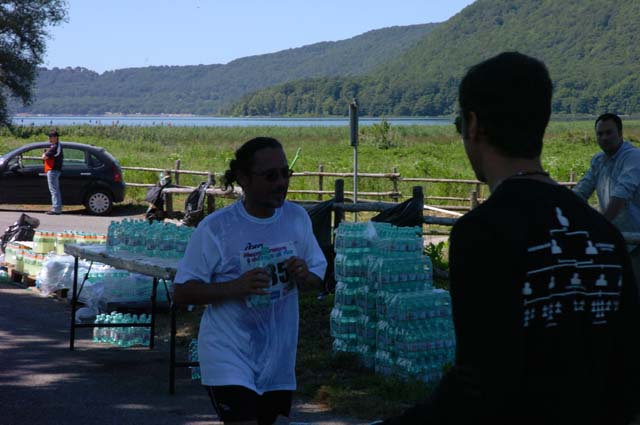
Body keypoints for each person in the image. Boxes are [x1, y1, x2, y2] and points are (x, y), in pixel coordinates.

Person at [380, 52, 640, 424]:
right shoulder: (604, 235)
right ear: (541, 125)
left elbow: (479, 384)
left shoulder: (484, 232)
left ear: (473, 125)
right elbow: (627, 373)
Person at [173, 137, 327, 425]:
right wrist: (236, 287)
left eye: (285, 173)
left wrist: (305, 276)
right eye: (270, 175)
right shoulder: (217, 228)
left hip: (278, 361)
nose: (281, 182)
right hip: (228, 355)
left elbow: (316, 278)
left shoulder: (296, 219)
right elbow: (181, 293)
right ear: (243, 178)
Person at [573, 113, 640, 289]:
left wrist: (601, 226)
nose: (604, 138)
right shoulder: (598, 161)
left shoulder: (633, 157)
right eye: (600, 134)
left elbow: (621, 194)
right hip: (615, 242)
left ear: (620, 133)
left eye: (609, 133)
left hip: (637, 241)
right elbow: (581, 191)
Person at [41, 129, 63, 215]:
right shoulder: (56, 146)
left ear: (55, 138)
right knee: (55, 190)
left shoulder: (55, 147)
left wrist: (44, 154)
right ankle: (56, 208)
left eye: (51, 137)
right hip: (53, 170)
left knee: (54, 190)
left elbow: (45, 157)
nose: (49, 139)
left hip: (53, 170)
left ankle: (56, 209)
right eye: (49, 137)